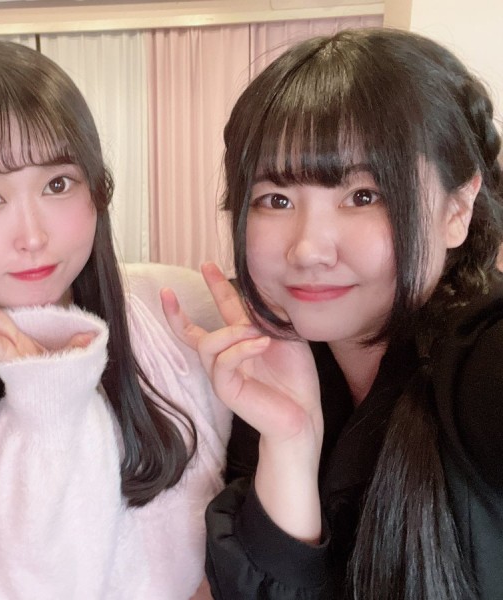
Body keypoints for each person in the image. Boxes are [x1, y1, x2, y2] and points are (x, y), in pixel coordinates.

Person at [0, 40, 232, 600]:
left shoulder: (171, 310)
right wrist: (47, 403)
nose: (33, 236)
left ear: (97, 189)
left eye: (58, 184)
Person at [161, 28, 503, 599]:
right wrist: (290, 444)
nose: (307, 250)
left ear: (457, 208)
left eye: (364, 196)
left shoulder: (481, 358)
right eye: (276, 200)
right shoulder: (278, 365)